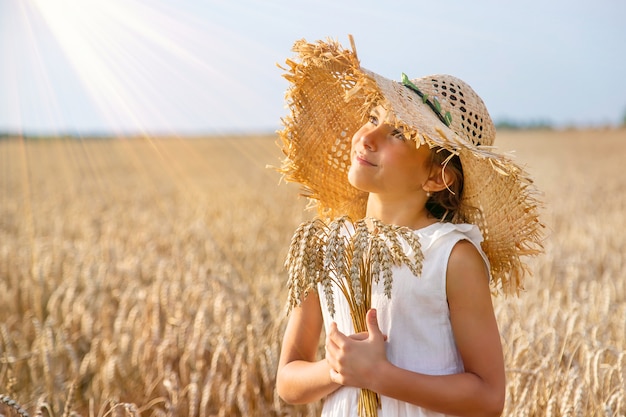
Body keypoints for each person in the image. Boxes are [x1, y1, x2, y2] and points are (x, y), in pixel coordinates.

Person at [274, 37, 544, 417]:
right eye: (372, 117)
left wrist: (380, 375)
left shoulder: (450, 257)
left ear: (437, 176)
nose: (367, 137)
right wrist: (336, 369)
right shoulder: (325, 246)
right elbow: (288, 381)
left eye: (398, 133)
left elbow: (488, 398)